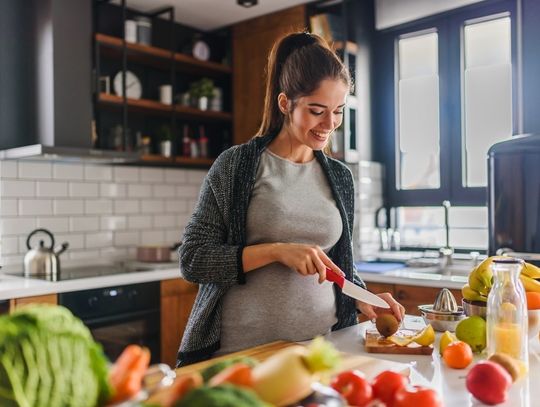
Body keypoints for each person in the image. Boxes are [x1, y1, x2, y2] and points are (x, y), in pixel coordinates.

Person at [177, 31, 405, 367]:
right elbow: (194, 259)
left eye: (338, 111)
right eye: (317, 111)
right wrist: (275, 251)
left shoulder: (340, 177)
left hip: (320, 352)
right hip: (242, 356)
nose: (330, 124)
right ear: (286, 104)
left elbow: (338, 267)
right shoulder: (237, 165)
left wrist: (365, 298)